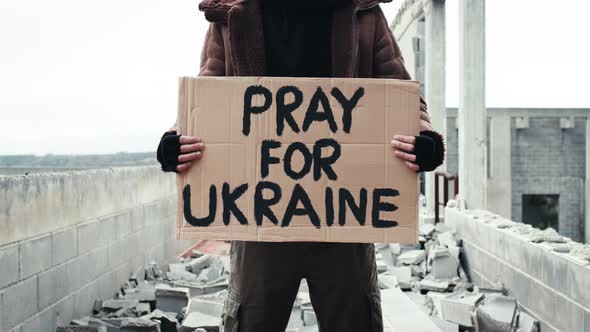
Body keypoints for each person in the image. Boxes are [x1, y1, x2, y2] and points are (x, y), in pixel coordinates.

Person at [157, 0, 445, 331]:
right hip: (259, 218)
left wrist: (424, 139)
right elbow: (207, 94)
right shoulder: (232, 14)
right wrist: (175, 140)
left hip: (344, 218)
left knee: (353, 322)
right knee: (253, 321)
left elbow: (398, 92)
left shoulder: (361, 11)